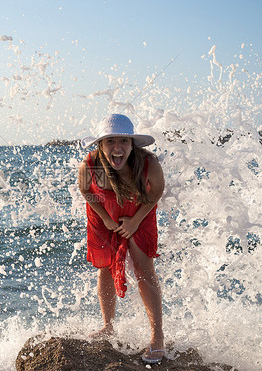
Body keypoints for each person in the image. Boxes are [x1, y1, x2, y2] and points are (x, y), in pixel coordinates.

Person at [78, 114, 165, 364]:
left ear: (131, 144)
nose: (118, 147)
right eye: (110, 141)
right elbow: (86, 190)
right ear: (101, 145)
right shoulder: (91, 163)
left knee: (143, 268)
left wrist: (136, 220)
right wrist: (105, 217)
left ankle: (157, 337)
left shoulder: (148, 162)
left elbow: (156, 192)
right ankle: (108, 326)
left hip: (140, 209)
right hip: (103, 210)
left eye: (123, 141)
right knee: (105, 266)